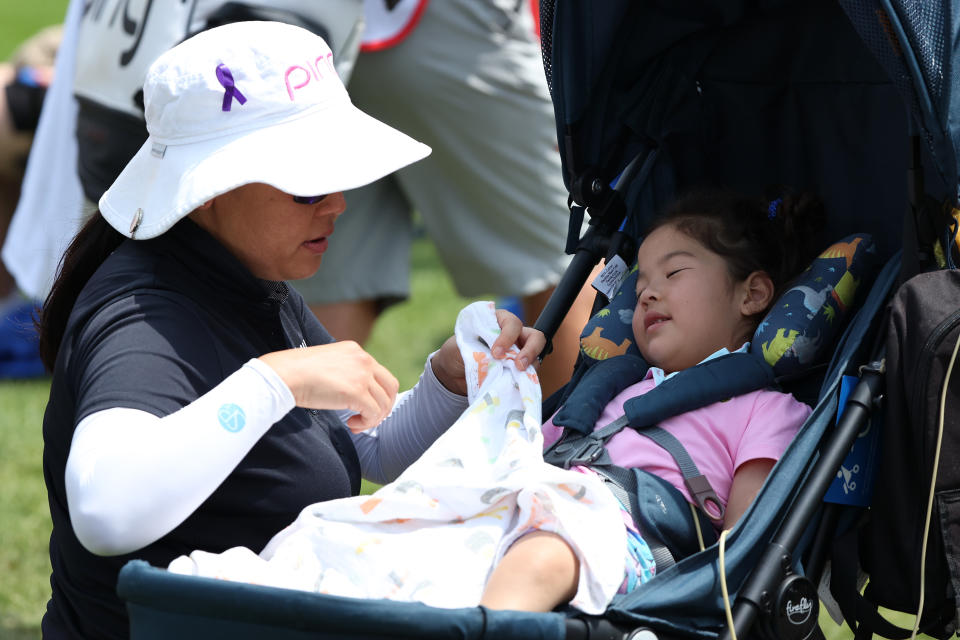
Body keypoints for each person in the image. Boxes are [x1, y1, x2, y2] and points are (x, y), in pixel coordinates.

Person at [37, 22, 543, 640]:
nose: (337, 203)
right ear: (208, 190)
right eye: (306, 185)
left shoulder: (246, 276)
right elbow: (105, 511)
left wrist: (448, 382)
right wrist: (276, 380)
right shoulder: (146, 318)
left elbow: (356, 446)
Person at [479, 189, 826, 611]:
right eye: (640, 283)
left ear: (751, 295)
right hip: (538, 502)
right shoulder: (610, 387)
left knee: (545, 550)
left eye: (673, 273)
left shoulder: (766, 410)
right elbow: (519, 453)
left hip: (632, 544)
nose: (646, 294)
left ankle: (492, 619)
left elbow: (743, 547)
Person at [298, 0, 594, 397]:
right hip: (441, 28)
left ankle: (296, 452)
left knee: (333, 276)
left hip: (317, 36)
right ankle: (569, 448)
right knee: (567, 257)